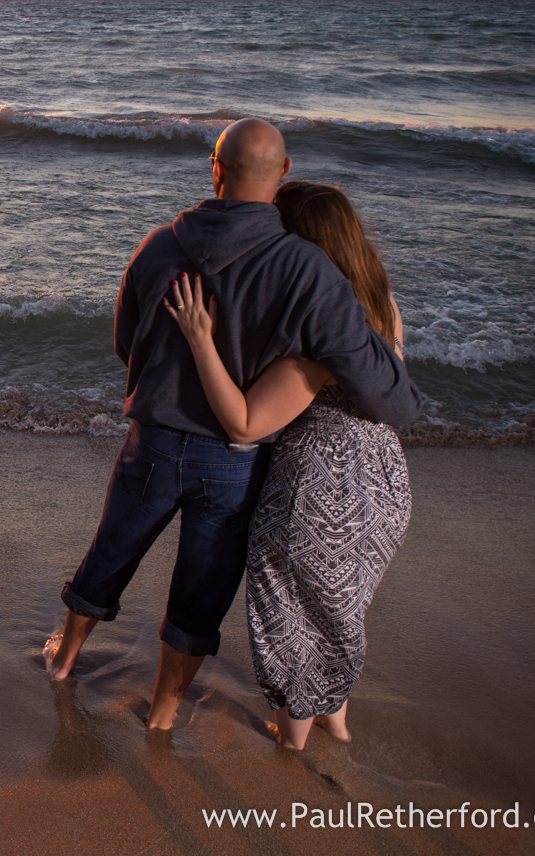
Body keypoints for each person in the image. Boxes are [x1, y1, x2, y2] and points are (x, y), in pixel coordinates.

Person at [43, 118, 423, 734]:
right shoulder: (306, 269)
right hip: (234, 458)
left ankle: (64, 661)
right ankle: (163, 715)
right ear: (285, 172)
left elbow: (125, 342)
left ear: (215, 170)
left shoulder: (158, 245)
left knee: (111, 553)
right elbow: (383, 387)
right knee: (200, 591)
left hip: (156, 443)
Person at [164, 181, 411, 749]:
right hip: (384, 484)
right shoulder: (383, 303)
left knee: (295, 621)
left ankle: (294, 752)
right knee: (336, 610)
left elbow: (246, 422)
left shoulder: (322, 329)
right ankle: (339, 724)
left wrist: (201, 339)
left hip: (318, 490)